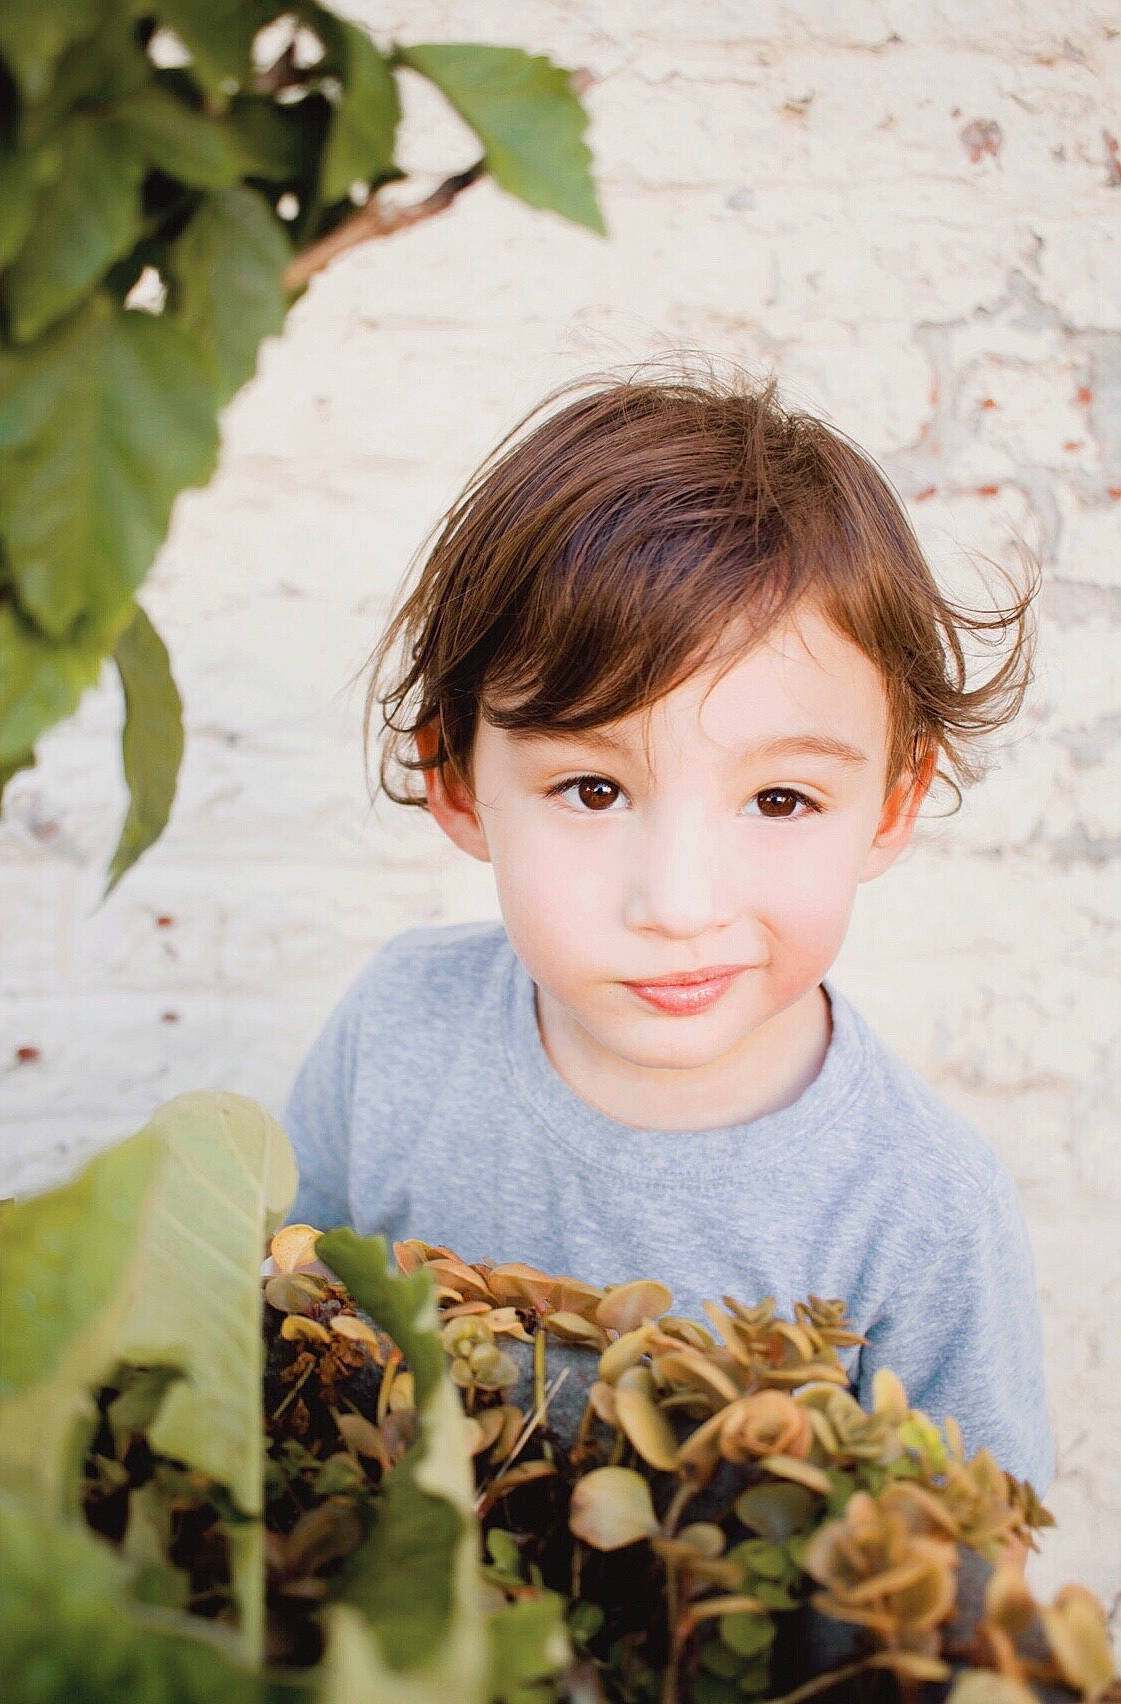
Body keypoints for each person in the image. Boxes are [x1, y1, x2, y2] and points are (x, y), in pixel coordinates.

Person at [282, 364, 1054, 1496]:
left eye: (779, 799)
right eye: (592, 790)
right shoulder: (398, 1030)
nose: (681, 905)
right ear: (455, 782)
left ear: (888, 807)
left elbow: (970, 1595)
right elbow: (280, 1342)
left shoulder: (920, 1209)